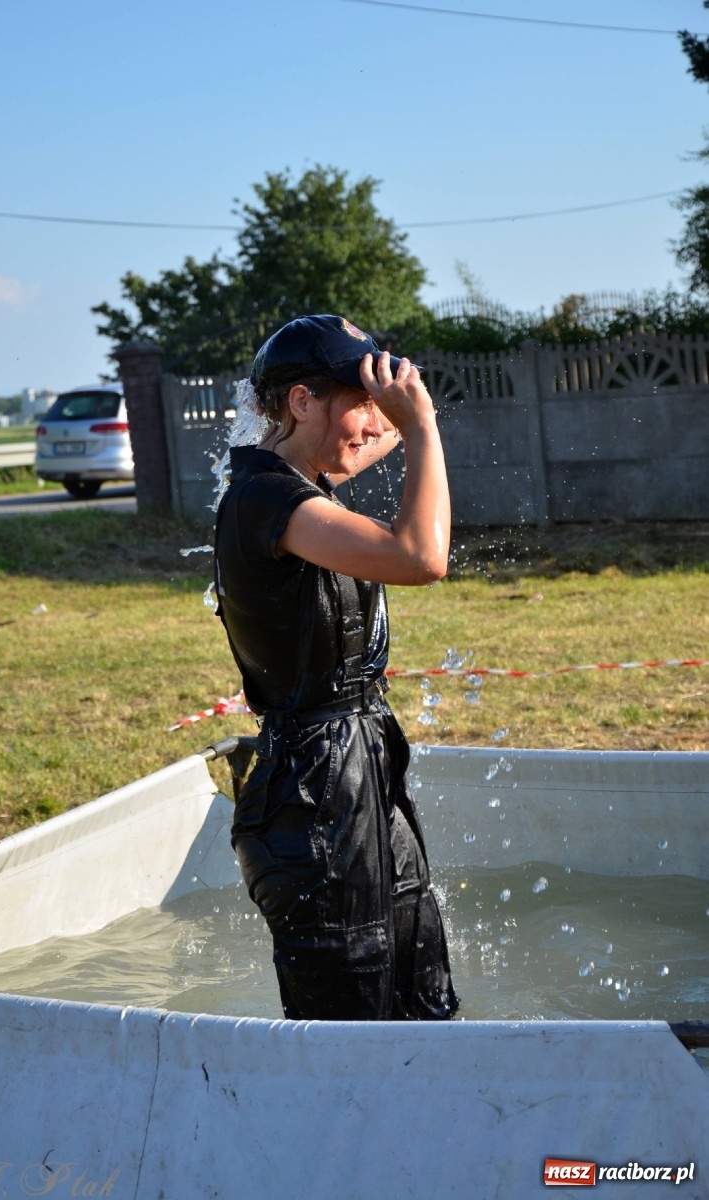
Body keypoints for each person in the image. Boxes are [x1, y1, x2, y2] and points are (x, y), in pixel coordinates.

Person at [214, 314, 459, 1022]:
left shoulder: (297, 478)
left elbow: (363, 442)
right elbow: (420, 557)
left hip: (355, 771)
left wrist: (405, 409)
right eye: (359, 403)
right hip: (312, 796)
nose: (374, 424)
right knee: (349, 1036)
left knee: (423, 1006)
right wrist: (419, 428)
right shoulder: (267, 498)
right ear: (301, 401)